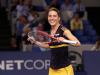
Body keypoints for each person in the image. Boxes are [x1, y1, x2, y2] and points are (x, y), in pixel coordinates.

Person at [28, 7, 81, 75]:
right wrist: (35, 42)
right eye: (50, 16)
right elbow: (48, 45)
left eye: (54, 16)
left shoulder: (64, 30)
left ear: (59, 18)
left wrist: (65, 40)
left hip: (64, 70)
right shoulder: (51, 31)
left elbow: (78, 43)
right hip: (52, 70)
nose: (52, 18)